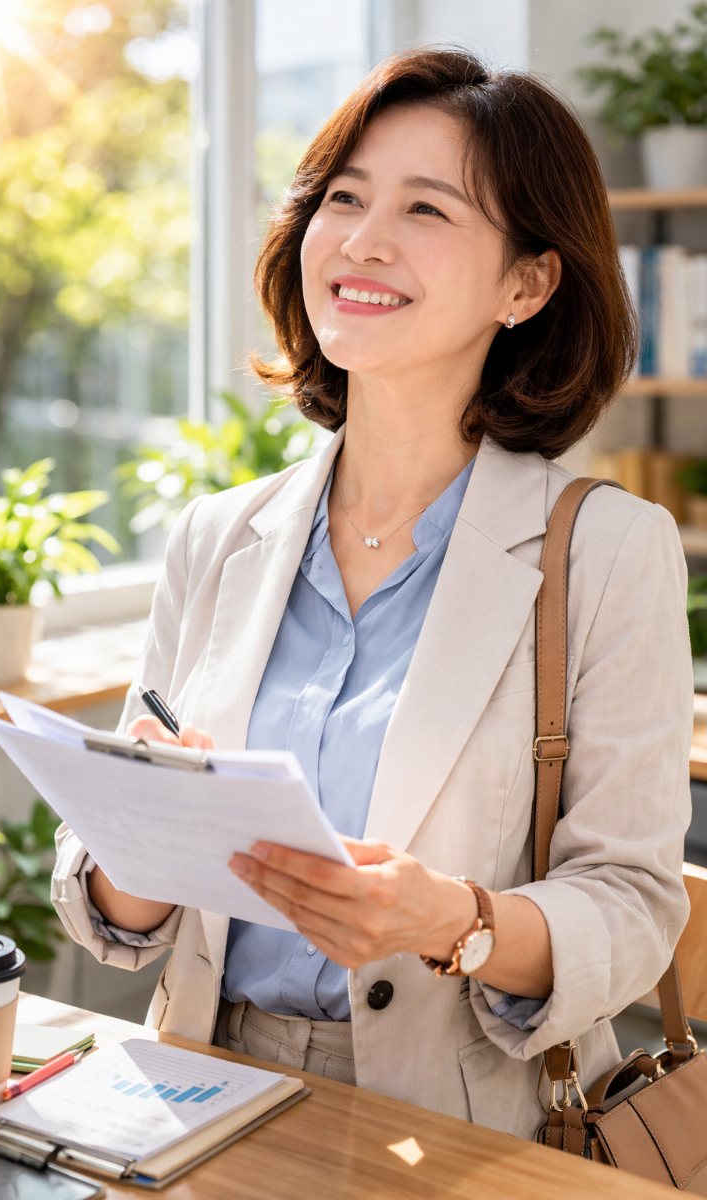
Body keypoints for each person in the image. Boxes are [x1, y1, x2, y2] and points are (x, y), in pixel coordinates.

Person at [52, 48, 692, 1139]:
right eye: (341, 198)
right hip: (203, 1090)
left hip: (471, 1117)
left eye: (425, 209)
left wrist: (455, 922)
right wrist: (142, 840)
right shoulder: (218, 537)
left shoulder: (609, 551)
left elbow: (633, 907)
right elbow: (107, 902)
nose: (361, 238)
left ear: (526, 283)